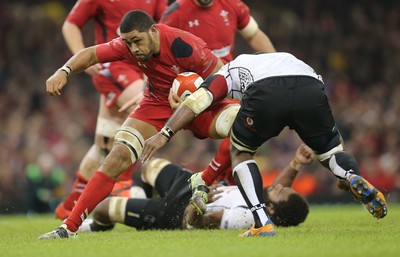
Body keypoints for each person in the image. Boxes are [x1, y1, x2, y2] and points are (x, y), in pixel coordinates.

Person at [141, 52, 389, 237]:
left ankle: (261, 221)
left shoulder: (227, 72)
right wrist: (342, 177)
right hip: (310, 85)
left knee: (240, 151)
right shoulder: (276, 58)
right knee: (333, 152)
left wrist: (165, 132)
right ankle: (350, 174)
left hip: (267, 90)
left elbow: (199, 101)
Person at [38, 10, 224, 240]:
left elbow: (221, 77)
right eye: (128, 43)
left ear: (153, 31)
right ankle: (69, 227)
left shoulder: (184, 45)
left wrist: (196, 102)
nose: (133, 48)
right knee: (116, 156)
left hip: (198, 102)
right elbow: (91, 55)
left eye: (137, 41)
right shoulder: (126, 46)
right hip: (156, 103)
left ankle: (242, 201)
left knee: (233, 126)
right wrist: (63, 70)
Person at [54, 0, 168, 220]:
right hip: (113, 67)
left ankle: (68, 207)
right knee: (148, 107)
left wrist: (152, 72)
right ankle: (122, 184)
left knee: (103, 145)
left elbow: (161, 28)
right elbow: (70, 24)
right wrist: (81, 56)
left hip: (143, 66)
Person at [78, 144, 312, 232]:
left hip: (176, 211)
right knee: (148, 164)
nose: (279, 185)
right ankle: (140, 198)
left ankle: (100, 226)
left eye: (280, 191)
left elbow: (195, 223)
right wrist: (296, 163)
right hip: (192, 184)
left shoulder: (245, 216)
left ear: (270, 208)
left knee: (103, 208)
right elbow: (282, 186)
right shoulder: (260, 199)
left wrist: (201, 201)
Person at [160, 0, 276, 64]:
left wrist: (277, 62)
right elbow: (159, 51)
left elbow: (254, 35)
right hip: (193, 85)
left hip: (228, 81)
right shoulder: (175, 13)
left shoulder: (232, 4)